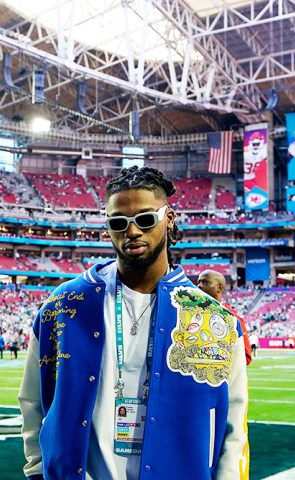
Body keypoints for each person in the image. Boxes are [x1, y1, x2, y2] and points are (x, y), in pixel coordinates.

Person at [18, 166, 249, 480]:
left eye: (144, 218)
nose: (132, 231)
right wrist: (36, 470)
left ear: (168, 219)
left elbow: (233, 426)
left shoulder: (212, 319)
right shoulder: (62, 306)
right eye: (118, 222)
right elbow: (33, 400)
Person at [197, 269, 252, 366]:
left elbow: (246, 357)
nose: (199, 286)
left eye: (205, 282)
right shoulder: (193, 315)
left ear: (220, 288)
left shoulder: (234, 318)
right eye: (199, 282)